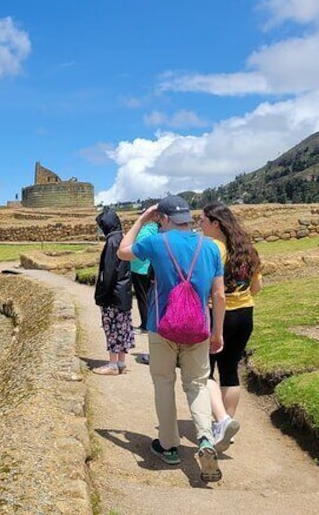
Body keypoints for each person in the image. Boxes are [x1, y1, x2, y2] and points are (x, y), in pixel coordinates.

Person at [118, 195, 226, 483]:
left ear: (163, 219)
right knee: (197, 384)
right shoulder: (210, 247)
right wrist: (217, 333)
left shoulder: (156, 242)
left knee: (164, 383)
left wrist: (142, 219)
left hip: (161, 326)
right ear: (188, 218)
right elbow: (219, 295)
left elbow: (123, 251)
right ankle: (205, 439)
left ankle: (168, 446)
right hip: (198, 328)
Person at [198, 202, 263, 452]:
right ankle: (226, 425)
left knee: (204, 371)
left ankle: (221, 421)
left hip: (218, 313)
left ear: (216, 223)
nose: (199, 225)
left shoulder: (212, 248)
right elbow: (257, 287)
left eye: (203, 220)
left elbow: (205, 285)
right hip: (246, 312)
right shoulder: (248, 249)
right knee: (230, 369)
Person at [92, 208, 134, 375]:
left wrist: (102, 295)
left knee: (112, 328)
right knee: (123, 328)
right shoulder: (122, 239)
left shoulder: (112, 242)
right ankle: (121, 363)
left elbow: (108, 272)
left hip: (113, 295)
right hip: (123, 293)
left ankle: (112, 364)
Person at [130, 217, 159, 333]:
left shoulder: (141, 232)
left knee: (142, 297)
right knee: (153, 296)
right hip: (152, 269)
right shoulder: (159, 231)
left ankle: (145, 323)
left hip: (138, 268)